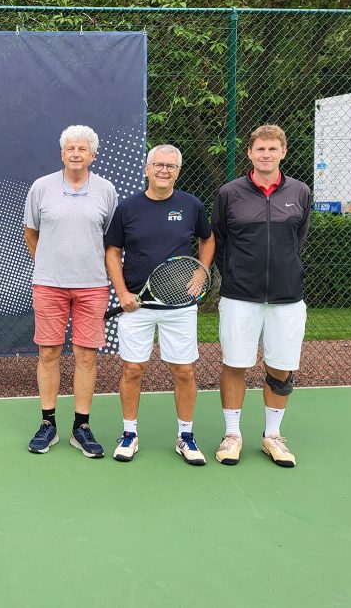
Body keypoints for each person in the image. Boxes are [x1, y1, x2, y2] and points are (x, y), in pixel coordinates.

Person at [103, 145, 215, 465]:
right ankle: (129, 434)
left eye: (171, 166)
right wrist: (122, 292)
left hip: (179, 306)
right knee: (133, 368)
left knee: (183, 370)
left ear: (178, 171)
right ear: (147, 169)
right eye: (158, 165)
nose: (164, 170)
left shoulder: (191, 205)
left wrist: (201, 271)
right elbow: (113, 251)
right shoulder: (128, 208)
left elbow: (208, 239)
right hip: (136, 306)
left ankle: (186, 437)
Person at [211, 124, 311, 468]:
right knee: (235, 364)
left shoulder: (299, 192)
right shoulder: (230, 193)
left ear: (283, 152)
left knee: (280, 369)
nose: (266, 154)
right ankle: (232, 435)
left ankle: (272, 437)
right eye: (260, 149)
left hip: (288, 298)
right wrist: (237, 274)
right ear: (250, 153)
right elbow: (220, 241)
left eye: (272, 149)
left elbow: (298, 239)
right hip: (240, 297)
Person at [23, 125, 119, 457]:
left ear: (92, 155)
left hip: (93, 286)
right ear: (62, 153)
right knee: (48, 354)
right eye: (70, 148)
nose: (75, 153)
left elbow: (110, 240)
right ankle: (48, 424)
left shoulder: (106, 190)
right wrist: (49, 266)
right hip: (48, 285)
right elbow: (31, 232)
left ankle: (82, 427)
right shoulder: (41, 188)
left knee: (86, 356)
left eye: (82, 149)